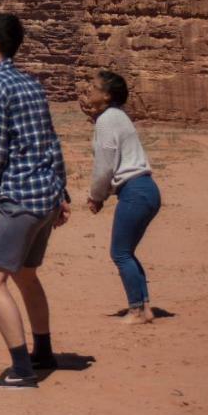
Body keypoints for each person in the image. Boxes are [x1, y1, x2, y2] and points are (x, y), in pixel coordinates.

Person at [0, 13, 70, 389]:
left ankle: (22, 369)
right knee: (25, 274)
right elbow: (51, 141)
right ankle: (43, 352)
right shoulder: (30, 83)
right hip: (45, 196)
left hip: (19, 195)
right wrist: (62, 192)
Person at [80, 70, 160, 325]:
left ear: (107, 95)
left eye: (94, 86)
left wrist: (96, 196)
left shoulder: (107, 120)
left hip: (134, 191)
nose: (88, 89)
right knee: (127, 252)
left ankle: (136, 311)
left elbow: (104, 166)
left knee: (121, 253)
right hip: (146, 190)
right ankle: (144, 307)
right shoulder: (116, 117)